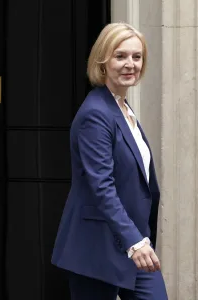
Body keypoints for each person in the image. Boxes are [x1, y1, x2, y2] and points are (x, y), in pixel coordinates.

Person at [51, 22, 168, 300]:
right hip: (96, 247)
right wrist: (135, 242)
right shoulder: (96, 113)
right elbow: (101, 186)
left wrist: (140, 239)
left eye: (136, 57)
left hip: (134, 242)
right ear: (103, 62)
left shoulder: (121, 107)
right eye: (121, 56)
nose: (130, 64)